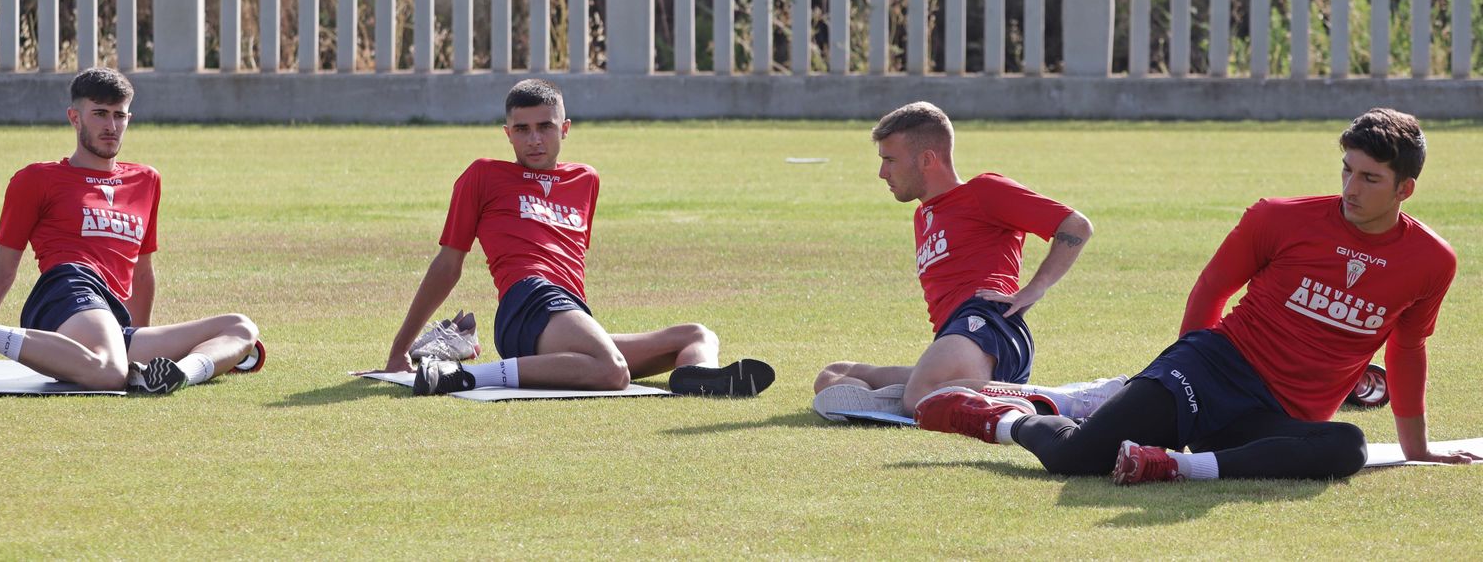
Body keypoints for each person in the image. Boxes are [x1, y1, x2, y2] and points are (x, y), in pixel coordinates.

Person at [915, 108, 1481, 482]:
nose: (1350, 190)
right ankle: (1000, 418)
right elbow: (1214, 288)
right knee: (1078, 459)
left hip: (1278, 414)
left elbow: (1407, 350)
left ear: (1405, 188)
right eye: (1346, 171)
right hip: (1210, 369)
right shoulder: (1279, 219)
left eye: (1369, 179)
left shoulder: (1432, 261)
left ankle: (1180, 468)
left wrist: (1418, 448)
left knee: (1347, 447)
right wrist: (1179, 374)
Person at [374, 78, 774, 397]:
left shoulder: (586, 180)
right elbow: (448, 264)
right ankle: (459, 377)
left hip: (568, 313)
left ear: (564, 128)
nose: (534, 139)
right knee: (613, 371)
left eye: (545, 127)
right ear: (507, 134)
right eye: (522, 129)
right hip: (527, 301)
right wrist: (398, 351)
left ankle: (700, 379)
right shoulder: (483, 175)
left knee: (696, 335)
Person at [0, 68, 262, 394]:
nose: (111, 125)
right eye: (100, 114)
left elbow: (142, 273)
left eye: (119, 115)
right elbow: (3, 269)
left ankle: (179, 375)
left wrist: (136, 343)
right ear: (74, 117)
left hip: (111, 317)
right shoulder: (36, 179)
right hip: (65, 291)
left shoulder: (146, 180)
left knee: (241, 328)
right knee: (109, 372)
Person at [812, 102, 1101, 421]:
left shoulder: (984, 191)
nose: (882, 173)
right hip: (955, 337)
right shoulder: (923, 216)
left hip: (987, 323)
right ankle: (947, 394)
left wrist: (1036, 288)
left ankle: (1071, 399)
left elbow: (1076, 226)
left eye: (890, 160)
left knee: (919, 396)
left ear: (926, 159)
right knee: (833, 376)